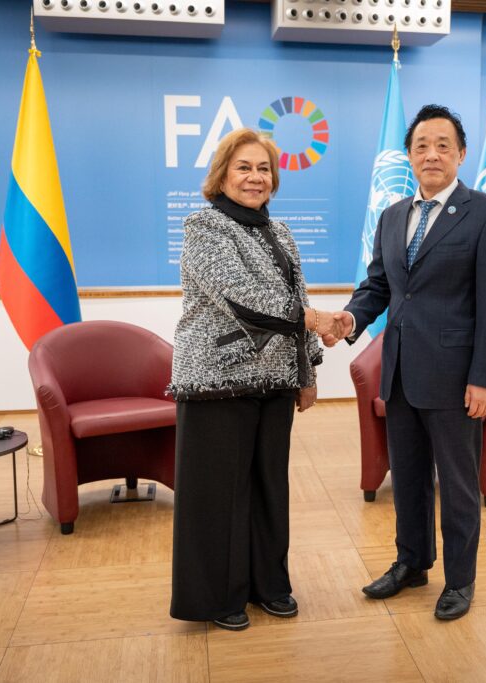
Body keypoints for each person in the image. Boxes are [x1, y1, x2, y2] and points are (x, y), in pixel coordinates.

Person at [325, 105, 486, 620]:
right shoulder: (393, 216)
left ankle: (460, 580)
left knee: (457, 486)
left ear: (461, 154)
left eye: (442, 145)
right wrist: (350, 319)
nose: (431, 154)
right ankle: (411, 563)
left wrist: (485, 379)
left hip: (456, 380)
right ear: (409, 155)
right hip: (400, 374)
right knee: (408, 480)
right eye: (421, 146)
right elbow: (379, 287)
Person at [169, 127, 340, 631]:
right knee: (218, 496)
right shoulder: (204, 228)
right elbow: (247, 302)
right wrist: (316, 321)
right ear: (222, 175)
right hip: (216, 381)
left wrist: (307, 370)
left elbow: (296, 297)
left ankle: (270, 585)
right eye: (243, 167)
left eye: (263, 168)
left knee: (269, 489)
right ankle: (218, 598)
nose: (255, 177)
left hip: (275, 383)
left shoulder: (280, 232)